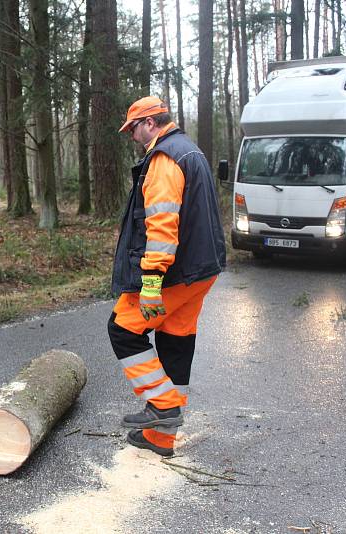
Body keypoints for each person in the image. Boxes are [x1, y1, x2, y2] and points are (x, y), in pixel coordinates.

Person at [108, 96, 226, 457]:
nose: (131, 137)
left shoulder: (164, 158)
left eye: (133, 129)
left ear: (149, 123)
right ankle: (161, 439)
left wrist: (151, 284)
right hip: (200, 269)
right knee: (175, 339)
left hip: (174, 273)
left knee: (123, 329)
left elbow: (161, 225)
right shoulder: (191, 151)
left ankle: (162, 404)